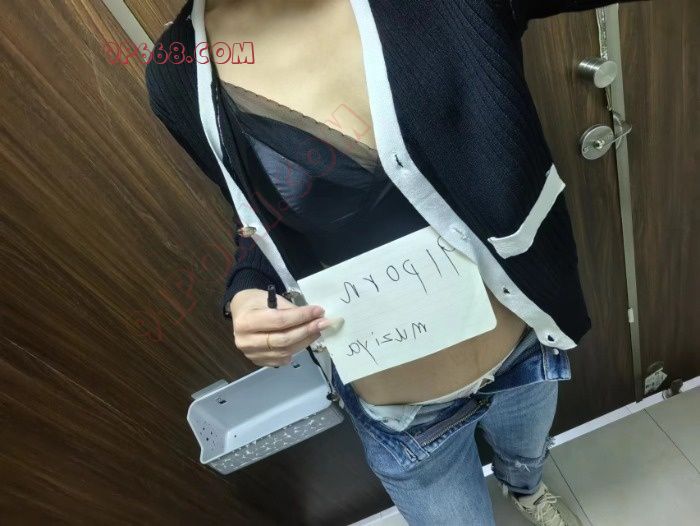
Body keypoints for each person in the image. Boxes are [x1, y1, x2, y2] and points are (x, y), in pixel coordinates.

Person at [146, 1, 640, 524]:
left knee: (527, 458)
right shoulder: (180, 71)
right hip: (405, 418)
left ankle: (526, 490)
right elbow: (256, 216)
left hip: (522, 349)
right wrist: (249, 290)